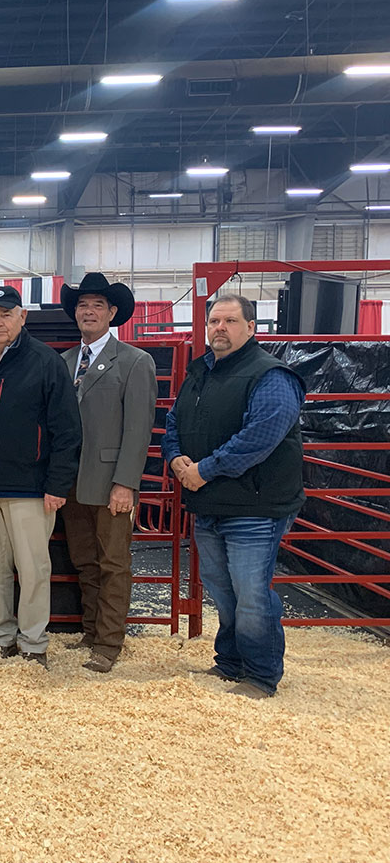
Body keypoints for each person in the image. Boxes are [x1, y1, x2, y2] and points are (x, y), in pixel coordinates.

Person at [164, 294, 305, 699]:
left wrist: (202, 471)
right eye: (213, 321)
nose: (219, 328)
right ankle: (230, 663)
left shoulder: (272, 375)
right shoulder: (200, 374)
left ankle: (261, 676)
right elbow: (173, 422)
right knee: (222, 589)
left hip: (255, 506)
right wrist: (176, 460)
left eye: (229, 321)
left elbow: (259, 438)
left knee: (251, 593)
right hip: (210, 504)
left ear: (251, 328)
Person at [0, 285, 81, 669]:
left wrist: (57, 485)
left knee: (33, 570)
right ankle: (1, 637)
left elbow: (67, 429)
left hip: (32, 487)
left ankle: (33, 643)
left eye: (6, 314)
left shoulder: (46, 362)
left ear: (22, 317)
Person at [59, 274, 157, 673]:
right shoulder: (64, 362)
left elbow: (138, 428)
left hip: (110, 481)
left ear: (113, 313)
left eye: (98, 305)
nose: (89, 311)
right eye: (83, 305)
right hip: (71, 481)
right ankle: (91, 629)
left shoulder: (135, 361)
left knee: (113, 561)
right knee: (84, 559)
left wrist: (126, 483)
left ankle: (110, 642)